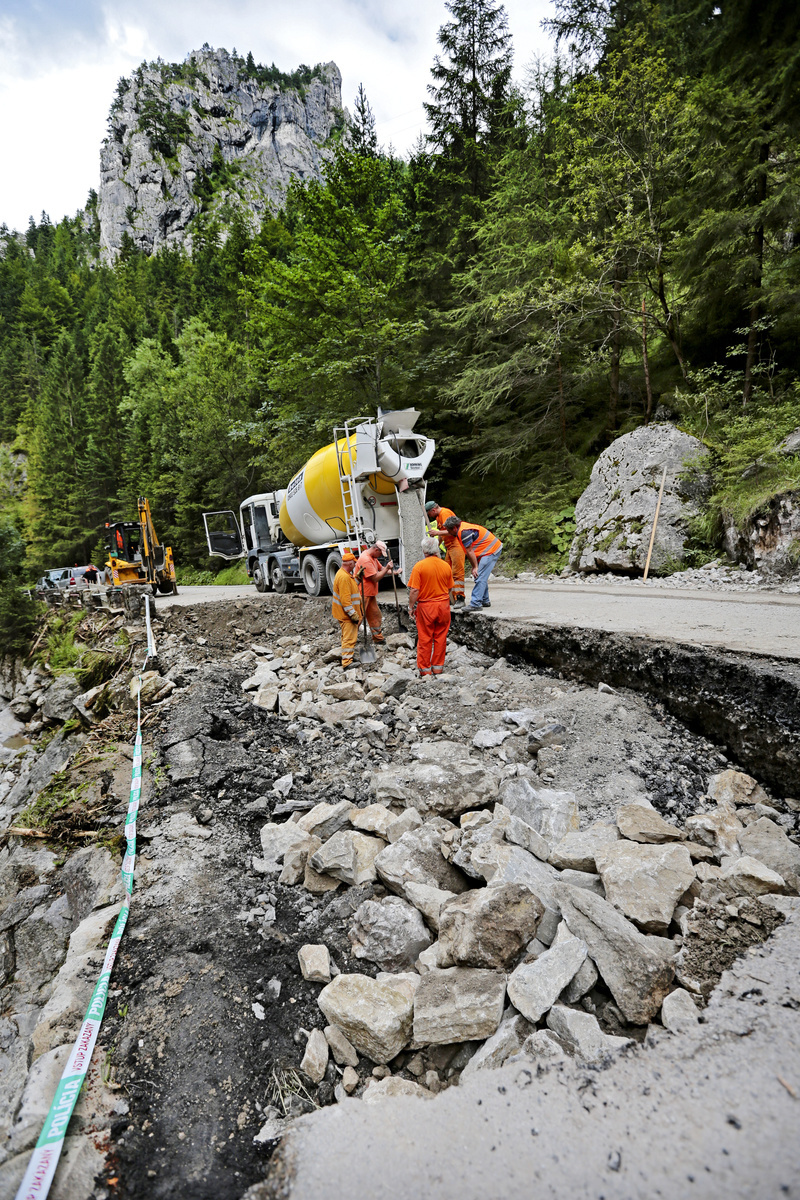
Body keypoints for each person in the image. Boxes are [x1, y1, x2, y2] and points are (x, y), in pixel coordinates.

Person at [407, 537, 455, 676]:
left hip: (426, 606)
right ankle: (438, 668)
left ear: (424, 550)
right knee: (440, 637)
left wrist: (411, 607)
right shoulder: (445, 565)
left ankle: (425, 670)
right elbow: (450, 588)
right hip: (443, 606)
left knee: (425, 637)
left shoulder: (419, 566)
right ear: (436, 549)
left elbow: (414, 590)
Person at [443, 516, 503, 611]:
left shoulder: (464, 533)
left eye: (449, 530)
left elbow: (469, 551)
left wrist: (475, 567)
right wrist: (474, 566)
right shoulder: (461, 529)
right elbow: (469, 552)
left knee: (480, 576)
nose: (448, 533)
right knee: (479, 575)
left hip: (491, 550)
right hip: (485, 551)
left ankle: (476, 604)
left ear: (454, 528)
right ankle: (485, 600)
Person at [354, 541, 399, 646]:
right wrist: (387, 568)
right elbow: (375, 578)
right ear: (376, 550)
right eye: (380, 553)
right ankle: (349, 639)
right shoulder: (365, 559)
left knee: (375, 615)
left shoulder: (373, 557)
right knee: (358, 617)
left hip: (370, 593)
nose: (380, 556)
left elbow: (381, 569)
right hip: (362, 594)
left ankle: (377, 638)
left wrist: (394, 571)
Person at [425, 500, 465, 605]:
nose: (430, 516)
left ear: (433, 510)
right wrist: (435, 546)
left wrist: (437, 532)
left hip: (456, 545)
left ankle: (460, 598)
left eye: (429, 514)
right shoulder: (439, 517)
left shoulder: (445, 513)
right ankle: (451, 597)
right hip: (449, 547)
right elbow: (442, 534)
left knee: (457, 573)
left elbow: (452, 532)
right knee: (446, 572)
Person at [331, 551, 362, 669]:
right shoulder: (344, 577)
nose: (355, 565)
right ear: (349, 564)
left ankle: (347, 656)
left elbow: (352, 587)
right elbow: (345, 600)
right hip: (346, 615)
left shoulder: (345, 574)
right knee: (349, 638)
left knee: (346, 637)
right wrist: (353, 614)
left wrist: (358, 578)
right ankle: (347, 662)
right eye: (354, 563)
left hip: (344, 614)